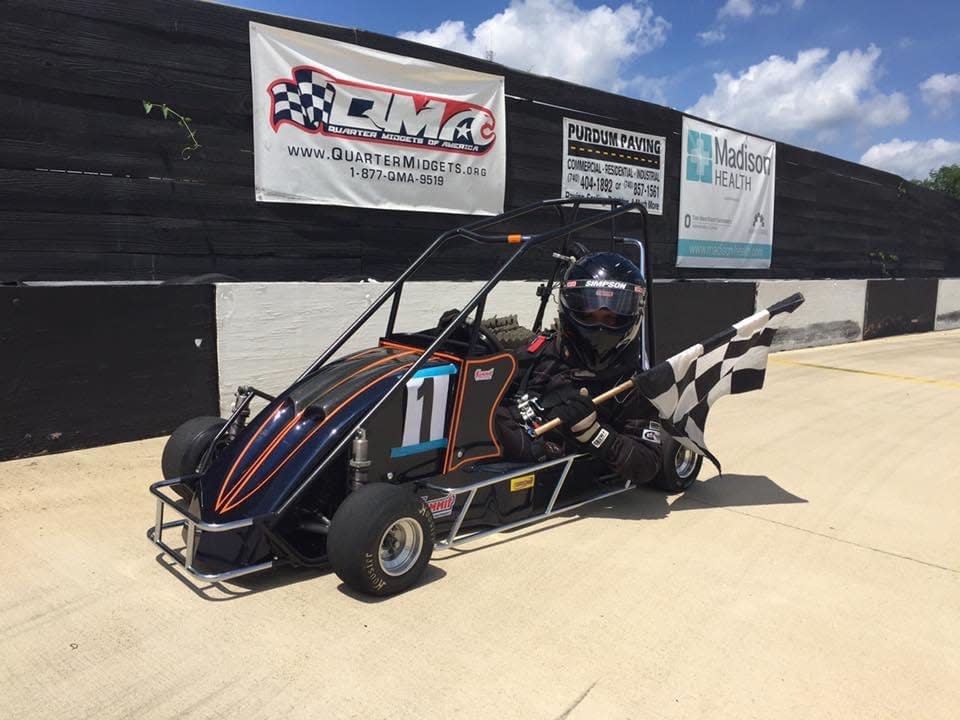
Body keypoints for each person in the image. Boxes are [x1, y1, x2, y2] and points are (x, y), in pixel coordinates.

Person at [495, 252, 663, 485]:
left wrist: (594, 433)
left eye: (611, 316)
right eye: (589, 312)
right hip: (505, 436)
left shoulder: (631, 384)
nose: (601, 324)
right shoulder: (542, 352)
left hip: (554, 463)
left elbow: (647, 464)